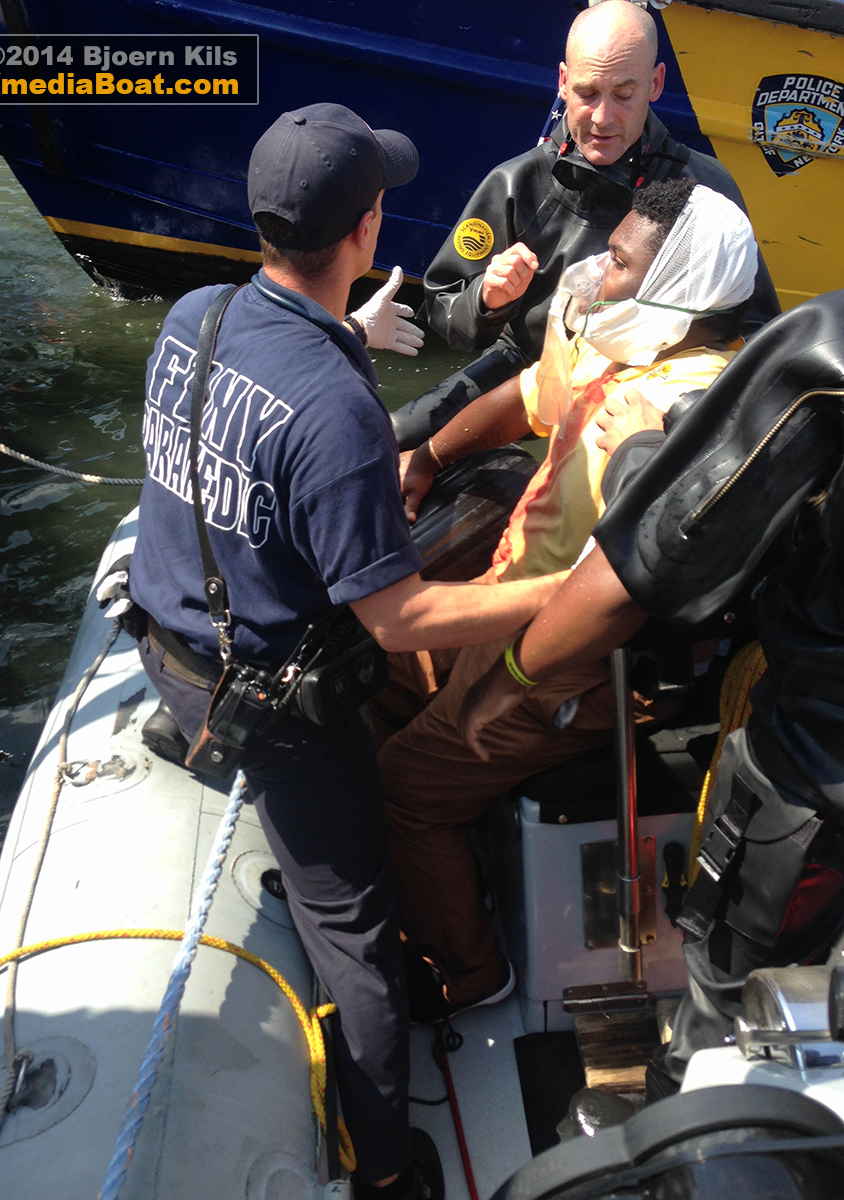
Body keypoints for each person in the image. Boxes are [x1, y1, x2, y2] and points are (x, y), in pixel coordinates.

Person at [127, 102, 571, 1197]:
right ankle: (384, 1167)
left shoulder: (198, 311)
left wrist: (348, 334)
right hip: (267, 707)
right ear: (369, 230)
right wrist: (559, 594)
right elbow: (398, 619)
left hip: (166, 655)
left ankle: (192, 734)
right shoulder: (335, 409)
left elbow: (251, 416)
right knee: (358, 933)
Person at [379, 178, 758, 1022]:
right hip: (509, 605)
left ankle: (472, 977)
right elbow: (532, 398)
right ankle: (423, 884)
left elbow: (621, 593)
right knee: (370, 670)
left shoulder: (689, 416)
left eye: (618, 261)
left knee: (407, 781)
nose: (594, 269)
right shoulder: (623, 343)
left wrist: (506, 682)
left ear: (681, 292)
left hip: (576, 668)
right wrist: (429, 456)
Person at [457, 287, 844, 1094]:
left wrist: (640, 451)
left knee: (730, 989)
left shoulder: (824, 353)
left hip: (814, 777)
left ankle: (681, 1130)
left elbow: (667, 551)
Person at [392, 0, 779, 449]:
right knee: (395, 437)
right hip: (529, 364)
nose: (602, 117)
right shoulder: (515, 182)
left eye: (623, 94)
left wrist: (681, 409)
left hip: (648, 384)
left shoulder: (702, 192)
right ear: (562, 83)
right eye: (587, 92)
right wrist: (487, 299)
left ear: (655, 85)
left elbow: (756, 329)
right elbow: (443, 305)